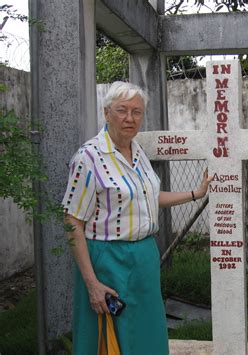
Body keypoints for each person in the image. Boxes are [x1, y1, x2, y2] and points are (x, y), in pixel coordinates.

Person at [62, 81, 211, 354]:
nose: (129, 118)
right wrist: (92, 283)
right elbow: (73, 222)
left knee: (146, 331)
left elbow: (148, 198)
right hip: (108, 258)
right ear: (107, 113)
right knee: (110, 335)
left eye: (136, 111)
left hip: (144, 256)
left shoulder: (137, 151)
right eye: (122, 110)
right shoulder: (88, 157)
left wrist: (195, 193)